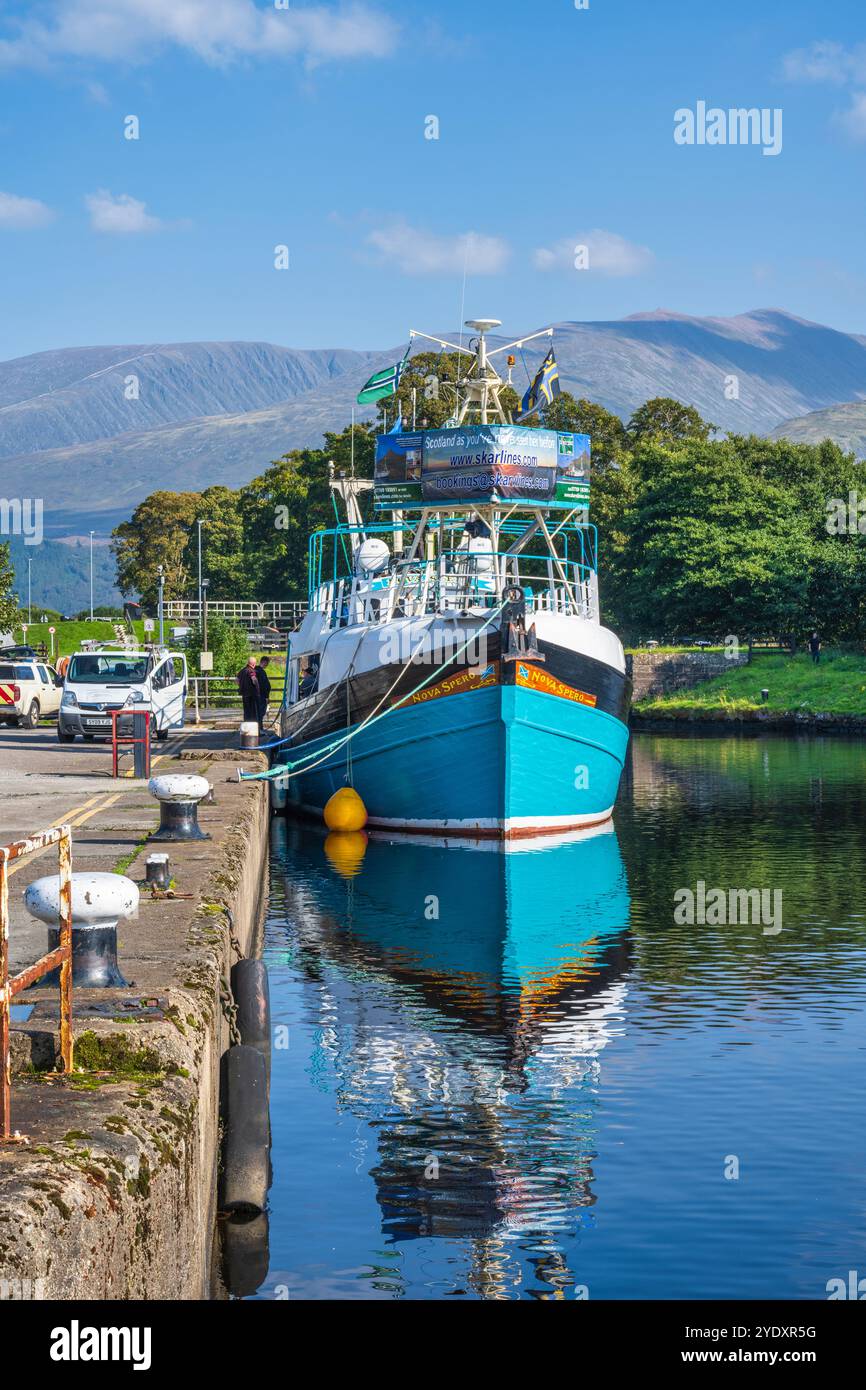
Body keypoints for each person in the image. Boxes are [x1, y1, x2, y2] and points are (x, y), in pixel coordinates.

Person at [237, 656, 261, 727]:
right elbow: (254, 680)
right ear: (253, 664)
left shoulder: (242, 670)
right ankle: (253, 729)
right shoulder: (251, 671)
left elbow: (237, 680)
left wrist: (241, 686)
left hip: (244, 694)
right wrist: (258, 689)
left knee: (246, 712)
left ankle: (246, 727)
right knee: (253, 713)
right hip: (252, 695)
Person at [256, 656, 272, 727]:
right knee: (260, 712)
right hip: (261, 696)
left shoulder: (258, 671)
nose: (267, 665)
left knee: (260, 713)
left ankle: (260, 727)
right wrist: (266, 696)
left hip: (260, 695)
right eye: (267, 663)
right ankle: (259, 728)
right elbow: (263, 685)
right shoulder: (260, 672)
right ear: (264, 662)